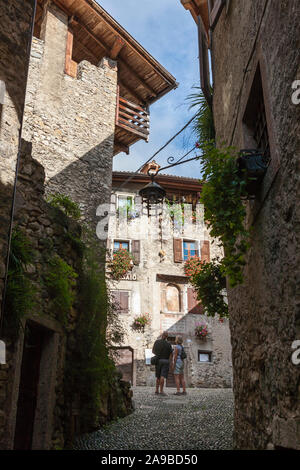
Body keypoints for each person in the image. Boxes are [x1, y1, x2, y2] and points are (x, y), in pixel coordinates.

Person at [152, 331, 173, 396]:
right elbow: (171, 354)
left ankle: (156, 390)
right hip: (165, 361)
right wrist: (170, 361)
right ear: (167, 337)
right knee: (162, 376)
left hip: (158, 360)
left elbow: (153, 351)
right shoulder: (168, 344)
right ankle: (161, 391)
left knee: (158, 376)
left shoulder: (157, 342)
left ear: (162, 335)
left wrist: (158, 354)